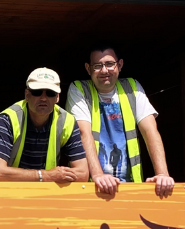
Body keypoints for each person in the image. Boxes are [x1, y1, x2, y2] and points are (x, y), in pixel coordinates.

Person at [66, 44, 175, 197]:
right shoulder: (79, 89)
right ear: (88, 68)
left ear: (120, 65)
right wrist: (98, 175)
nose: (104, 70)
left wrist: (162, 174)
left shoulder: (132, 87)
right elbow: (84, 132)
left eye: (110, 64)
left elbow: (150, 130)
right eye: (97, 65)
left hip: (130, 187)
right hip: (93, 187)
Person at [0, 67, 88, 182]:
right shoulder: (9, 119)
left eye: (50, 93)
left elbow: (83, 174)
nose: (43, 98)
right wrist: (46, 176)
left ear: (57, 97)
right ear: (27, 95)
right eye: (37, 92)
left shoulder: (68, 121)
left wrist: (46, 176)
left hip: (40, 191)